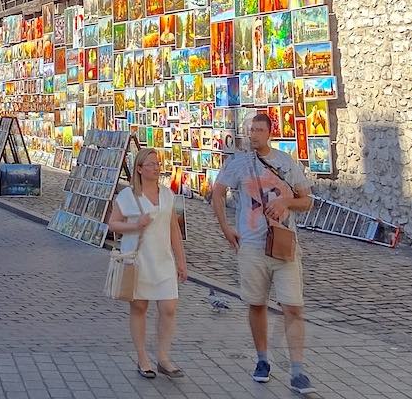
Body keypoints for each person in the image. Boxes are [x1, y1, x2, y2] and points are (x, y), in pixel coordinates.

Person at [211, 113, 315, 395]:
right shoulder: (239, 163)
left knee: (293, 306)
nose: (253, 134)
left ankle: (297, 368)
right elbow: (217, 193)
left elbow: (307, 200)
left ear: (270, 132)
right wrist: (225, 227)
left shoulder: (285, 163)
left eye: (259, 129)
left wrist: (285, 202)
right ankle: (262, 359)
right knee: (256, 303)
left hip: (283, 245)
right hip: (252, 245)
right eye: (250, 129)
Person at [107, 148, 187, 379]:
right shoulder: (128, 197)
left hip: (163, 260)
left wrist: (181, 260)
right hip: (139, 260)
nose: (156, 167)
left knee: (169, 308)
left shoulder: (167, 195)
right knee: (140, 307)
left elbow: (173, 227)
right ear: (139, 169)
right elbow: (113, 224)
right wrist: (135, 225)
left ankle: (163, 357)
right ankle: (143, 358)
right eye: (151, 164)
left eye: (158, 163)